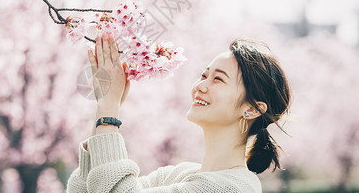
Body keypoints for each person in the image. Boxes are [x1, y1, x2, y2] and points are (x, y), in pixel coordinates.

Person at [67, 32, 291, 193]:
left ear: (252, 109)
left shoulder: (233, 188)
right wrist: (103, 108)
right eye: (204, 75)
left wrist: (109, 108)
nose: (201, 86)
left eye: (218, 79)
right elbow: (89, 189)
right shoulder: (177, 175)